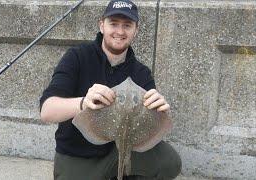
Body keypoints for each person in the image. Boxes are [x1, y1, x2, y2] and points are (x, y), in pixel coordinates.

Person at [39, 0, 181, 179]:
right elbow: (47, 111)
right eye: (113, 24)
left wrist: (161, 112)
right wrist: (83, 102)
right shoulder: (77, 57)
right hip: (79, 155)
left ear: (135, 31)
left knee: (169, 162)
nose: (120, 32)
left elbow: (151, 128)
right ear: (102, 25)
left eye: (127, 25)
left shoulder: (141, 73)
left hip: (121, 150)